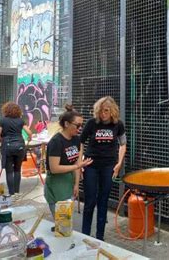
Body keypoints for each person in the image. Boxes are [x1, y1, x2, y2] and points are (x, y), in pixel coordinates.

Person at [81, 96, 127, 240]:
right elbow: (80, 142)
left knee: (103, 200)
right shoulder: (91, 123)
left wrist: (119, 163)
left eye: (106, 110)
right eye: (101, 111)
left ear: (112, 111)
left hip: (109, 166)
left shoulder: (118, 125)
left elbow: (123, 144)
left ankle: (100, 236)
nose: (103, 114)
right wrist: (79, 164)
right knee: (89, 201)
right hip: (91, 165)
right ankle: (85, 235)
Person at [44, 105, 93, 217]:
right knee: (61, 221)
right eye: (77, 125)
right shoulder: (56, 142)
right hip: (56, 185)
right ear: (66, 124)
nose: (80, 128)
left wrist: (76, 184)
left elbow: (76, 163)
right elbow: (54, 168)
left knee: (66, 220)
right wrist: (77, 167)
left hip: (68, 184)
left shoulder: (76, 140)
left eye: (81, 125)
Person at [0, 102, 32, 196]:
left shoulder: (3, 120)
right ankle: (17, 192)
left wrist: (0, 139)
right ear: (18, 111)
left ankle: (11, 193)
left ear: (5, 110)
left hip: (7, 147)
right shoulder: (20, 120)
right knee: (17, 169)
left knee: (9, 171)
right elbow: (29, 132)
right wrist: (29, 139)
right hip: (20, 146)